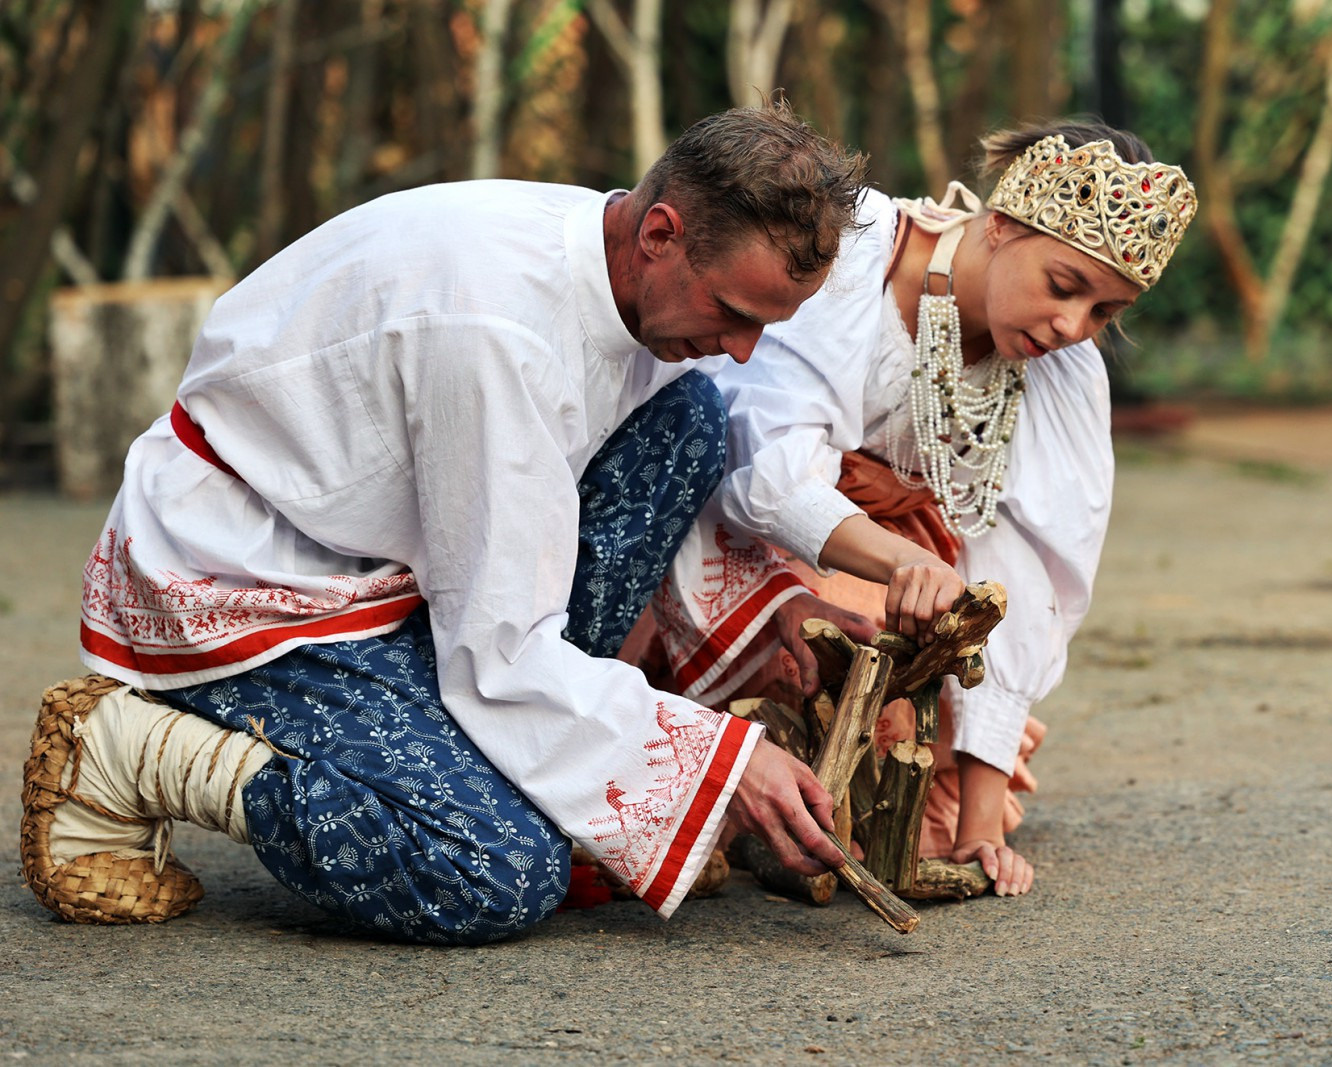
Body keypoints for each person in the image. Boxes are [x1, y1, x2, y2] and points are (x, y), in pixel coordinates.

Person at [21, 103, 868, 944]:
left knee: (690, 420)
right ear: (659, 232)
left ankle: (527, 763)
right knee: (495, 867)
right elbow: (497, 651)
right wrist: (715, 764)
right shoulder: (497, 333)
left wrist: (777, 604)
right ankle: (139, 750)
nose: (746, 349)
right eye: (735, 311)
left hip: (393, 558)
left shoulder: (608, 256)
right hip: (249, 576)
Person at [640, 123, 1196, 898]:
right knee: (828, 654)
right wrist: (904, 560)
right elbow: (761, 472)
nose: (1074, 327)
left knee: (895, 808)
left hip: (914, 569)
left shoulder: (1062, 369)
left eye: (1106, 311)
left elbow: (1020, 578)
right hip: (745, 526)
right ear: (999, 224)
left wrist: (979, 827)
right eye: (1064, 285)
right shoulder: (853, 254)